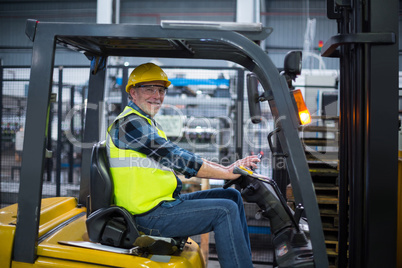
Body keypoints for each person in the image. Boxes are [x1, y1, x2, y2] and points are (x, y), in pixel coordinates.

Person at [106, 62, 260, 268]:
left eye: (160, 90)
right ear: (133, 93)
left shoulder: (145, 122)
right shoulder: (131, 124)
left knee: (231, 196)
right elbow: (175, 157)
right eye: (149, 89)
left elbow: (179, 153)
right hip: (147, 216)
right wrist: (226, 173)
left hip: (162, 204)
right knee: (224, 210)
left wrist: (227, 169)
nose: (157, 96)